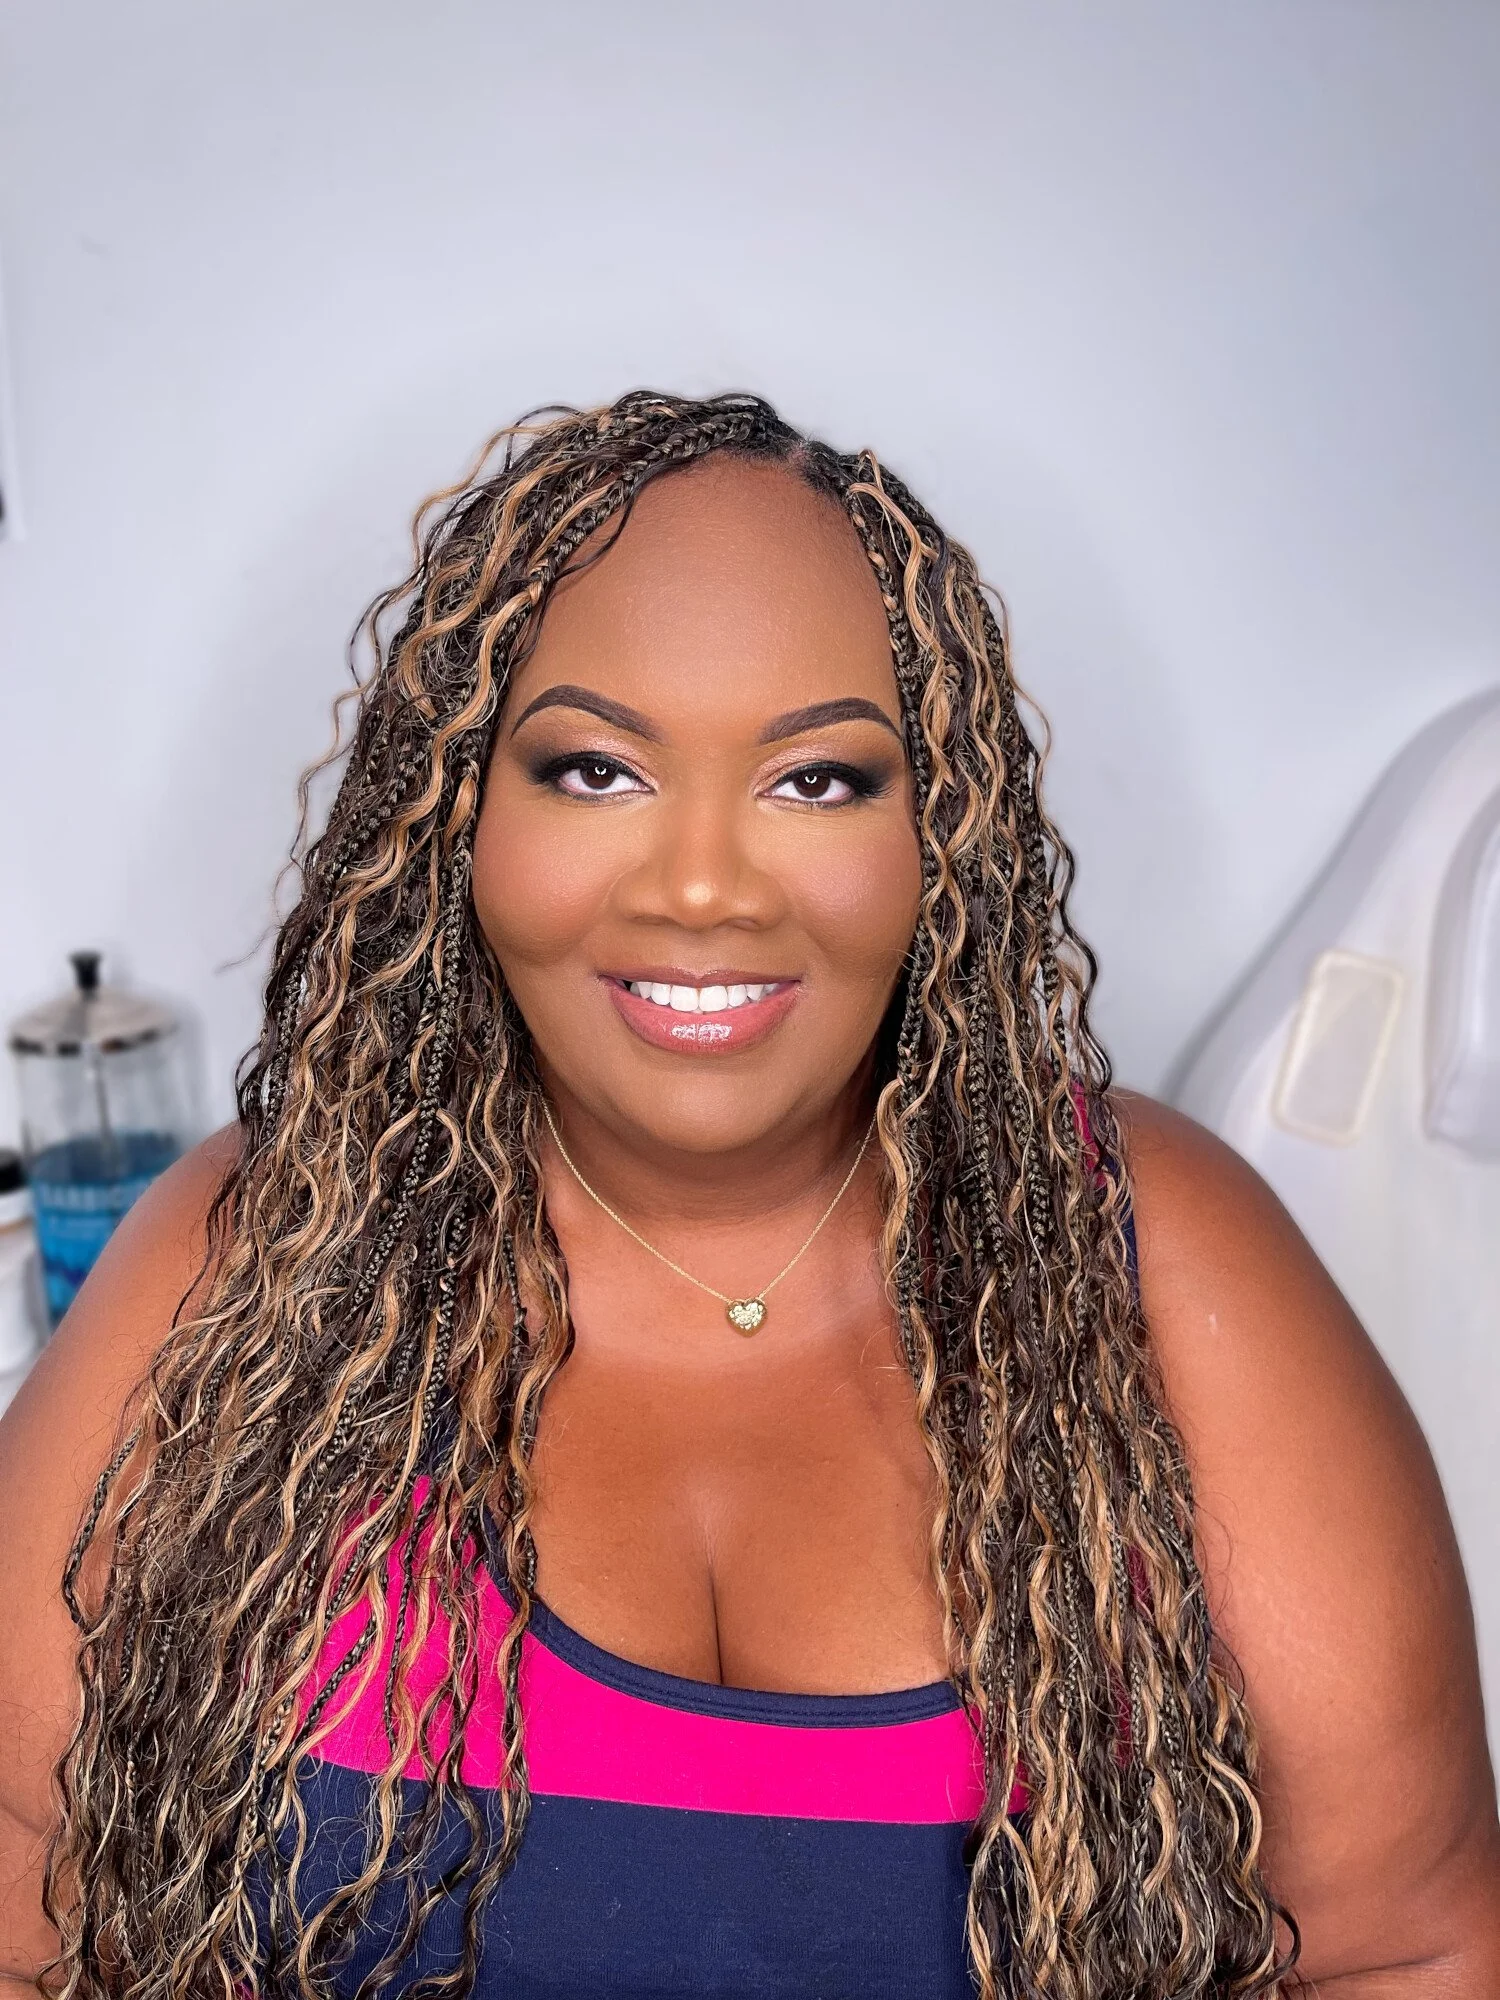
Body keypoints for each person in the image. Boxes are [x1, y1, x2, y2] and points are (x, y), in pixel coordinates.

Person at [1, 392, 1496, 1999]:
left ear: (948, 836)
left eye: (818, 782)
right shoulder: (246, 1268)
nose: (702, 883)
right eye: (592, 770)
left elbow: (1403, 1950)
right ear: (454, 820)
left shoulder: (1160, 1261)